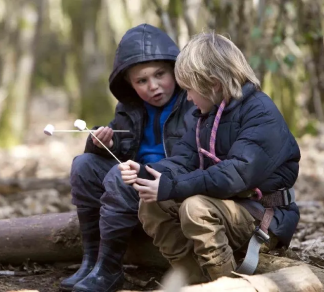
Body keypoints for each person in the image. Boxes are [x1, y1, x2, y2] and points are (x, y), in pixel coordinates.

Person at [119, 32, 301, 282]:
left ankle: (224, 284)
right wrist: (145, 172)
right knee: (152, 204)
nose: (189, 99)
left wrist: (171, 186)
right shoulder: (202, 116)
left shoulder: (261, 114)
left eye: (190, 90)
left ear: (213, 83)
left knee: (196, 207)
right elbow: (183, 160)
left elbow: (234, 175)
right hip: (226, 207)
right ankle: (193, 279)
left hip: (263, 216)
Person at [60, 24, 198, 292]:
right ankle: (92, 261)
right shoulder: (130, 107)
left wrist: (144, 170)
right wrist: (102, 144)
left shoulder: (193, 102)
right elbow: (120, 150)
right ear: (130, 84)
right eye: (141, 81)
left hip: (172, 185)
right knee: (84, 165)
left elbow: (191, 158)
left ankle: (110, 269)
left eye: (160, 74)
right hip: (136, 185)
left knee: (122, 176)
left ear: (175, 70)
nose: (153, 86)